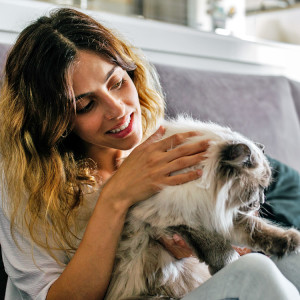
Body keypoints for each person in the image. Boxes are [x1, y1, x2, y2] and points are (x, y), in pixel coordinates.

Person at [0, 8, 299, 300]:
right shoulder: (29, 185)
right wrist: (116, 197)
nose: (118, 110)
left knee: (292, 258)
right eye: (85, 105)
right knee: (255, 272)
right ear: (54, 122)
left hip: (191, 285)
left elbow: (218, 242)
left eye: (117, 82)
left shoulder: (163, 143)